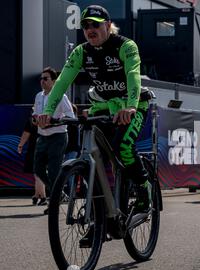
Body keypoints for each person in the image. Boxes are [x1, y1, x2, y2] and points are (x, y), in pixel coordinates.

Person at [37, 5, 152, 214]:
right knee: (94, 157)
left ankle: (144, 191)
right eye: (85, 25)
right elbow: (62, 82)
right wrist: (48, 111)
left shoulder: (126, 46)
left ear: (108, 25)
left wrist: (131, 107)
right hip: (103, 107)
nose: (90, 29)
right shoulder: (81, 51)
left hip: (133, 106)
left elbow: (133, 76)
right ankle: (99, 217)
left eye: (95, 25)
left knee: (123, 147)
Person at [33, 67, 75, 204]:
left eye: (46, 78)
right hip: (42, 136)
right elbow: (35, 113)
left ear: (54, 81)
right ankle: (59, 193)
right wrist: (34, 119)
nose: (42, 81)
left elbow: (71, 116)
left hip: (58, 136)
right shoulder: (39, 96)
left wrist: (53, 121)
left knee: (53, 170)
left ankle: (55, 200)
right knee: (37, 168)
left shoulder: (61, 96)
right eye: (41, 78)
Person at [17, 116, 47, 205]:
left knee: (38, 174)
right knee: (38, 173)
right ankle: (36, 195)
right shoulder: (47, 118)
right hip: (46, 148)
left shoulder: (32, 120)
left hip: (35, 150)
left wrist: (20, 145)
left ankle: (43, 197)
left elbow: (26, 133)